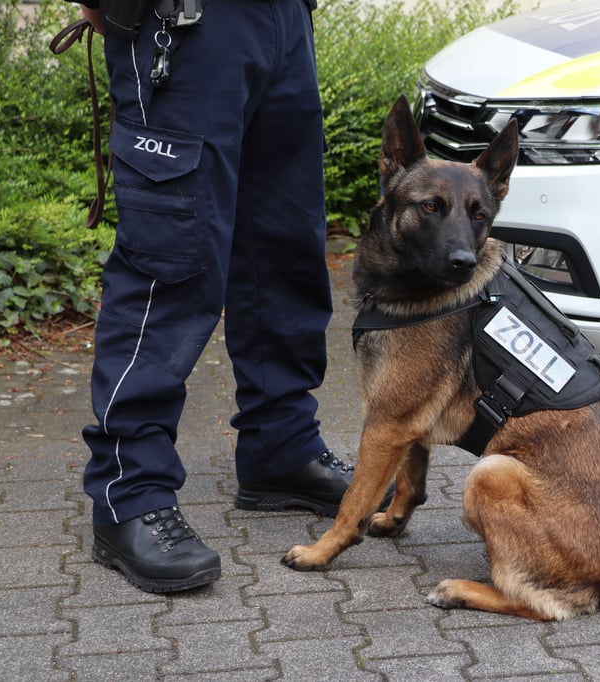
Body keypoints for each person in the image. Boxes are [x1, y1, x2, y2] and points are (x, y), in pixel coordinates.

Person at [67, 0, 374, 594]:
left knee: (285, 246)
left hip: (284, 18)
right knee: (170, 260)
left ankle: (280, 448)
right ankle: (129, 492)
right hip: (181, 19)